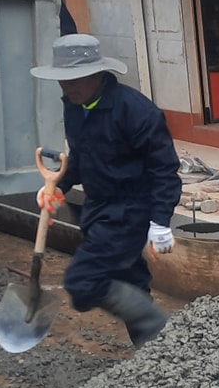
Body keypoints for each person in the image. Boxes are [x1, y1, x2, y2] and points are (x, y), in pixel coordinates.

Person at [30, 34, 181, 347]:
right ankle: (156, 354)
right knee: (131, 280)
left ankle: (161, 330)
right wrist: (60, 185)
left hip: (130, 211)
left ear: (97, 75)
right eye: (63, 81)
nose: (69, 88)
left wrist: (160, 221)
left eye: (76, 81)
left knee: (82, 280)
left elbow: (164, 169)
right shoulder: (76, 107)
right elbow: (84, 157)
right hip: (98, 206)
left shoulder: (136, 112)